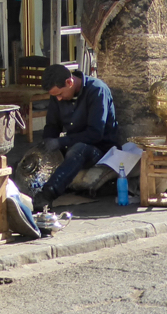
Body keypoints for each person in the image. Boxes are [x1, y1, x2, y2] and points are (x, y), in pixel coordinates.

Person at [33, 64, 122, 212]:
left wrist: (60, 142)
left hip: (100, 148)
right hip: (72, 144)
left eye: (60, 94)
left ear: (69, 82)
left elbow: (95, 134)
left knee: (78, 149)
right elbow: (52, 126)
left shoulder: (97, 90)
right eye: (55, 96)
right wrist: (46, 145)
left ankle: (48, 194)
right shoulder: (58, 96)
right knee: (37, 154)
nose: (59, 99)